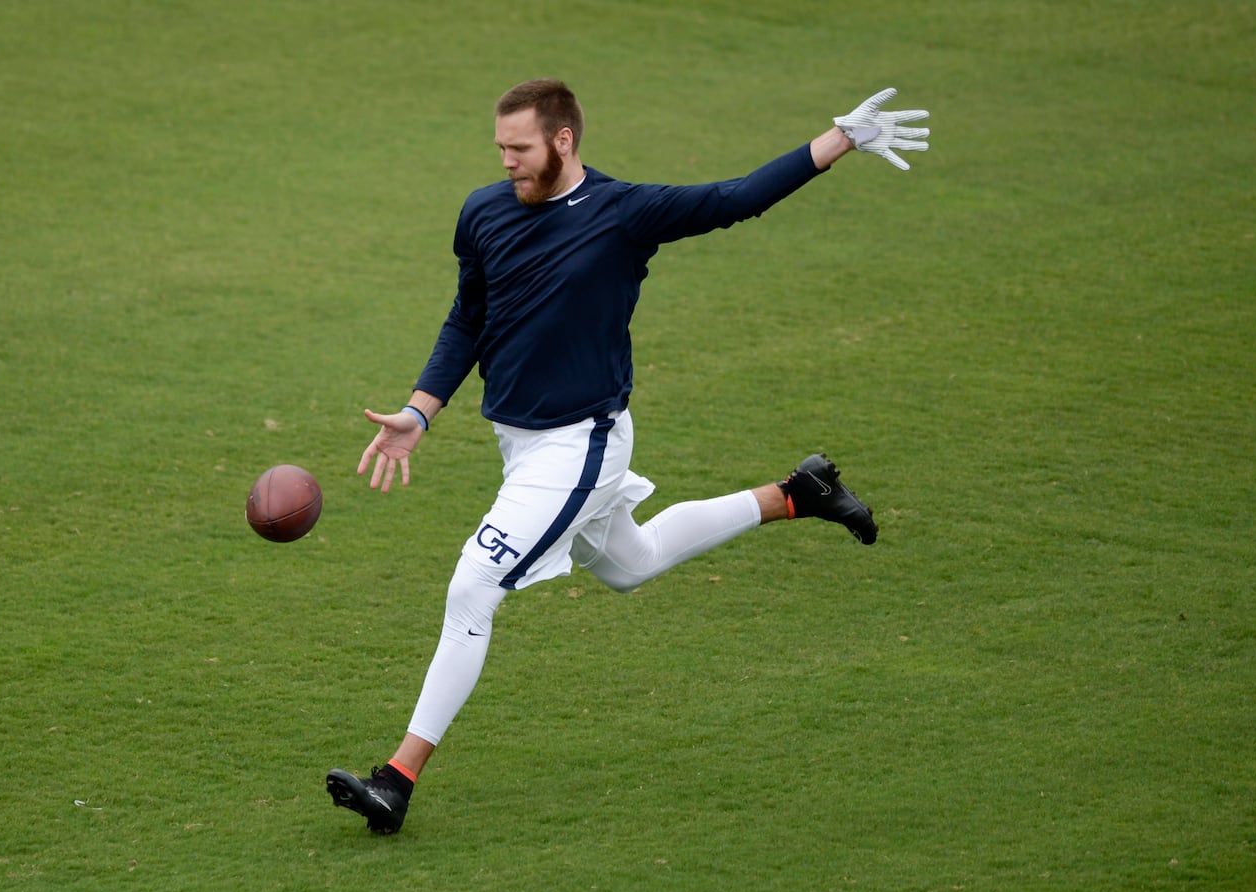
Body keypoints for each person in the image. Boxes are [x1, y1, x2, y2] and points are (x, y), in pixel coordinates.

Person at [324, 80, 930, 835]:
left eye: (520, 148)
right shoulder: (482, 213)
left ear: (564, 140)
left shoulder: (622, 213)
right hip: (521, 444)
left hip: (584, 441)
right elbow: (468, 319)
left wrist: (838, 139)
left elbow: (736, 198)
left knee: (474, 585)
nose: (507, 161)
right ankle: (797, 494)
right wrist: (420, 410)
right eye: (500, 149)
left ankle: (397, 778)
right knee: (630, 564)